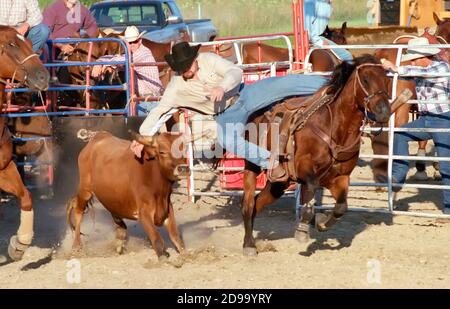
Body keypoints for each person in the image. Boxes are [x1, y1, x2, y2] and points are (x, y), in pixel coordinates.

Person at [132, 42, 329, 182]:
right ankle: (270, 162)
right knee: (227, 140)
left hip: (246, 94)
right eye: (181, 69)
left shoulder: (207, 59)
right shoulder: (176, 87)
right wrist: (141, 137)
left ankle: (334, 83)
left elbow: (235, 72)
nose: (186, 71)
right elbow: (160, 112)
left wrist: (222, 87)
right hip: (226, 115)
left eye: (188, 66)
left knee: (284, 83)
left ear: (195, 59)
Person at [381, 37, 450, 214]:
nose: (412, 61)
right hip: (426, 119)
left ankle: (449, 208)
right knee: (400, 133)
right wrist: (382, 69)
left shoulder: (442, 67)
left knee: (445, 165)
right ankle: (398, 174)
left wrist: (396, 67)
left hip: (443, 119)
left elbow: (425, 73)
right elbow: (396, 74)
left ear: (422, 57)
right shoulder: (416, 69)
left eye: (413, 58)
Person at [91, 26, 163, 99]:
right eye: (129, 42)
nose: (132, 45)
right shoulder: (132, 55)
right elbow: (118, 59)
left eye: (134, 41)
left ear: (140, 41)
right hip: (142, 98)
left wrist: (101, 63)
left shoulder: (142, 53)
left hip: (151, 98)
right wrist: (103, 63)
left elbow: (121, 60)